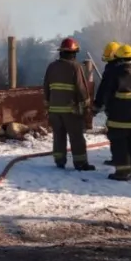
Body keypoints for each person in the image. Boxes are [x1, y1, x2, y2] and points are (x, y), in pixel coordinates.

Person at [93, 37, 131, 166]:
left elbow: (103, 91)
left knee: (119, 140)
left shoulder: (111, 72)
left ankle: (121, 165)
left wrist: (96, 107)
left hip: (118, 115)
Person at [42, 37, 94, 171]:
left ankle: (59, 160)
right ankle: (80, 163)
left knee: (58, 136)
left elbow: (46, 87)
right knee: (76, 137)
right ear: (73, 53)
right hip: (70, 110)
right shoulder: (75, 67)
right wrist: (86, 106)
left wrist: (48, 105)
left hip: (54, 110)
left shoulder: (51, 66)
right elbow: (81, 88)